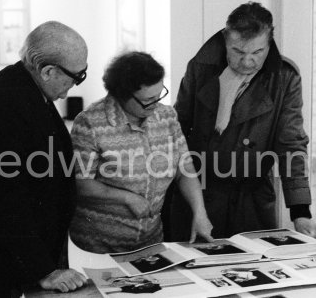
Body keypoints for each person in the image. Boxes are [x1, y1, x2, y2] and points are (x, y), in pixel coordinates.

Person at [0, 21, 89, 297]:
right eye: (77, 76)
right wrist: (42, 270)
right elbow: (4, 197)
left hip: (15, 248)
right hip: (1, 254)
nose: (75, 84)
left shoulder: (24, 88)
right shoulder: (6, 104)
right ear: (48, 71)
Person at [169, 2, 316, 240]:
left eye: (258, 53)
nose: (248, 62)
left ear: (269, 43)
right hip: (201, 193)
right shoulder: (200, 67)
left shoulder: (285, 78)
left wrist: (300, 211)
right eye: (238, 52)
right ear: (225, 39)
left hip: (252, 198)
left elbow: (291, 144)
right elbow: (176, 132)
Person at [68, 51, 213, 254]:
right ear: (123, 95)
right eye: (148, 100)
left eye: (159, 94)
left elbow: (185, 168)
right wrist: (127, 198)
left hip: (151, 240)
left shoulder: (167, 117)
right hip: (99, 244)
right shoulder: (91, 122)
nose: (156, 105)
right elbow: (79, 183)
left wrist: (199, 213)